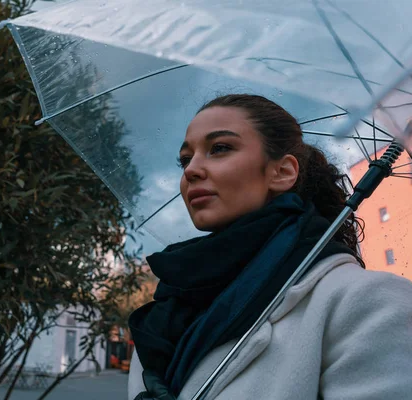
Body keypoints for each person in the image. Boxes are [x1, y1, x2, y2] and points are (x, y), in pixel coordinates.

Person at [127, 94, 412, 400]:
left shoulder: (365, 302)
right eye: (185, 159)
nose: (191, 170)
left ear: (282, 172)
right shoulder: (169, 309)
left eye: (220, 148)